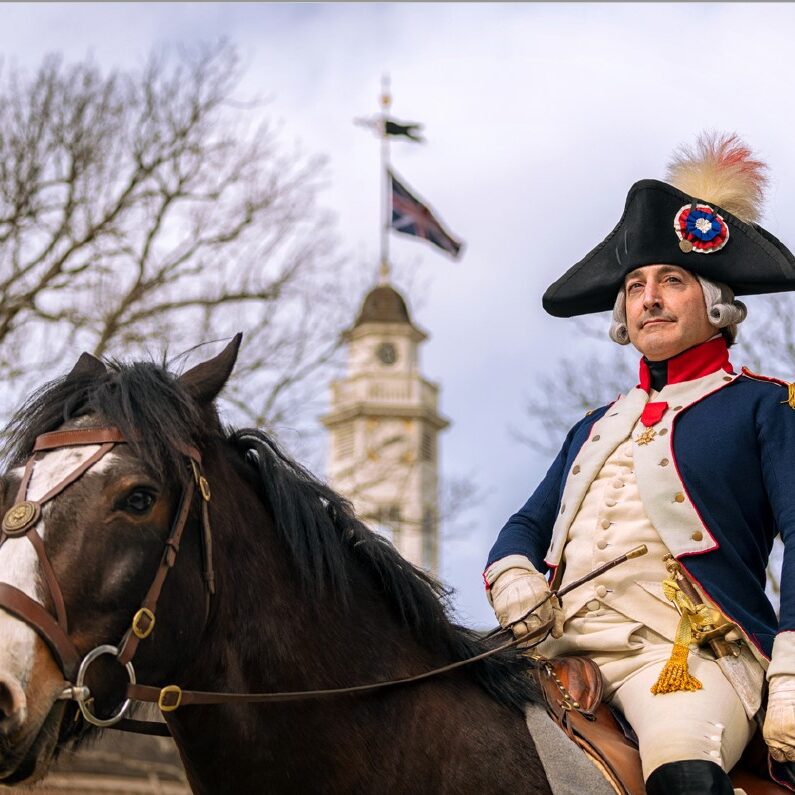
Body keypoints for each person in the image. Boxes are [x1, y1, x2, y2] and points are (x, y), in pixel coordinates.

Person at [485, 134, 795, 794]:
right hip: (555, 648)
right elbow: (525, 523)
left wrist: (791, 673)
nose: (648, 297)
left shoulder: (764, 406)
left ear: (715, 303)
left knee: (682, 765)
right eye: (635, 285)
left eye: (670, 281)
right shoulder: (593, 426)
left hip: (683, 657)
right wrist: (513, 574)